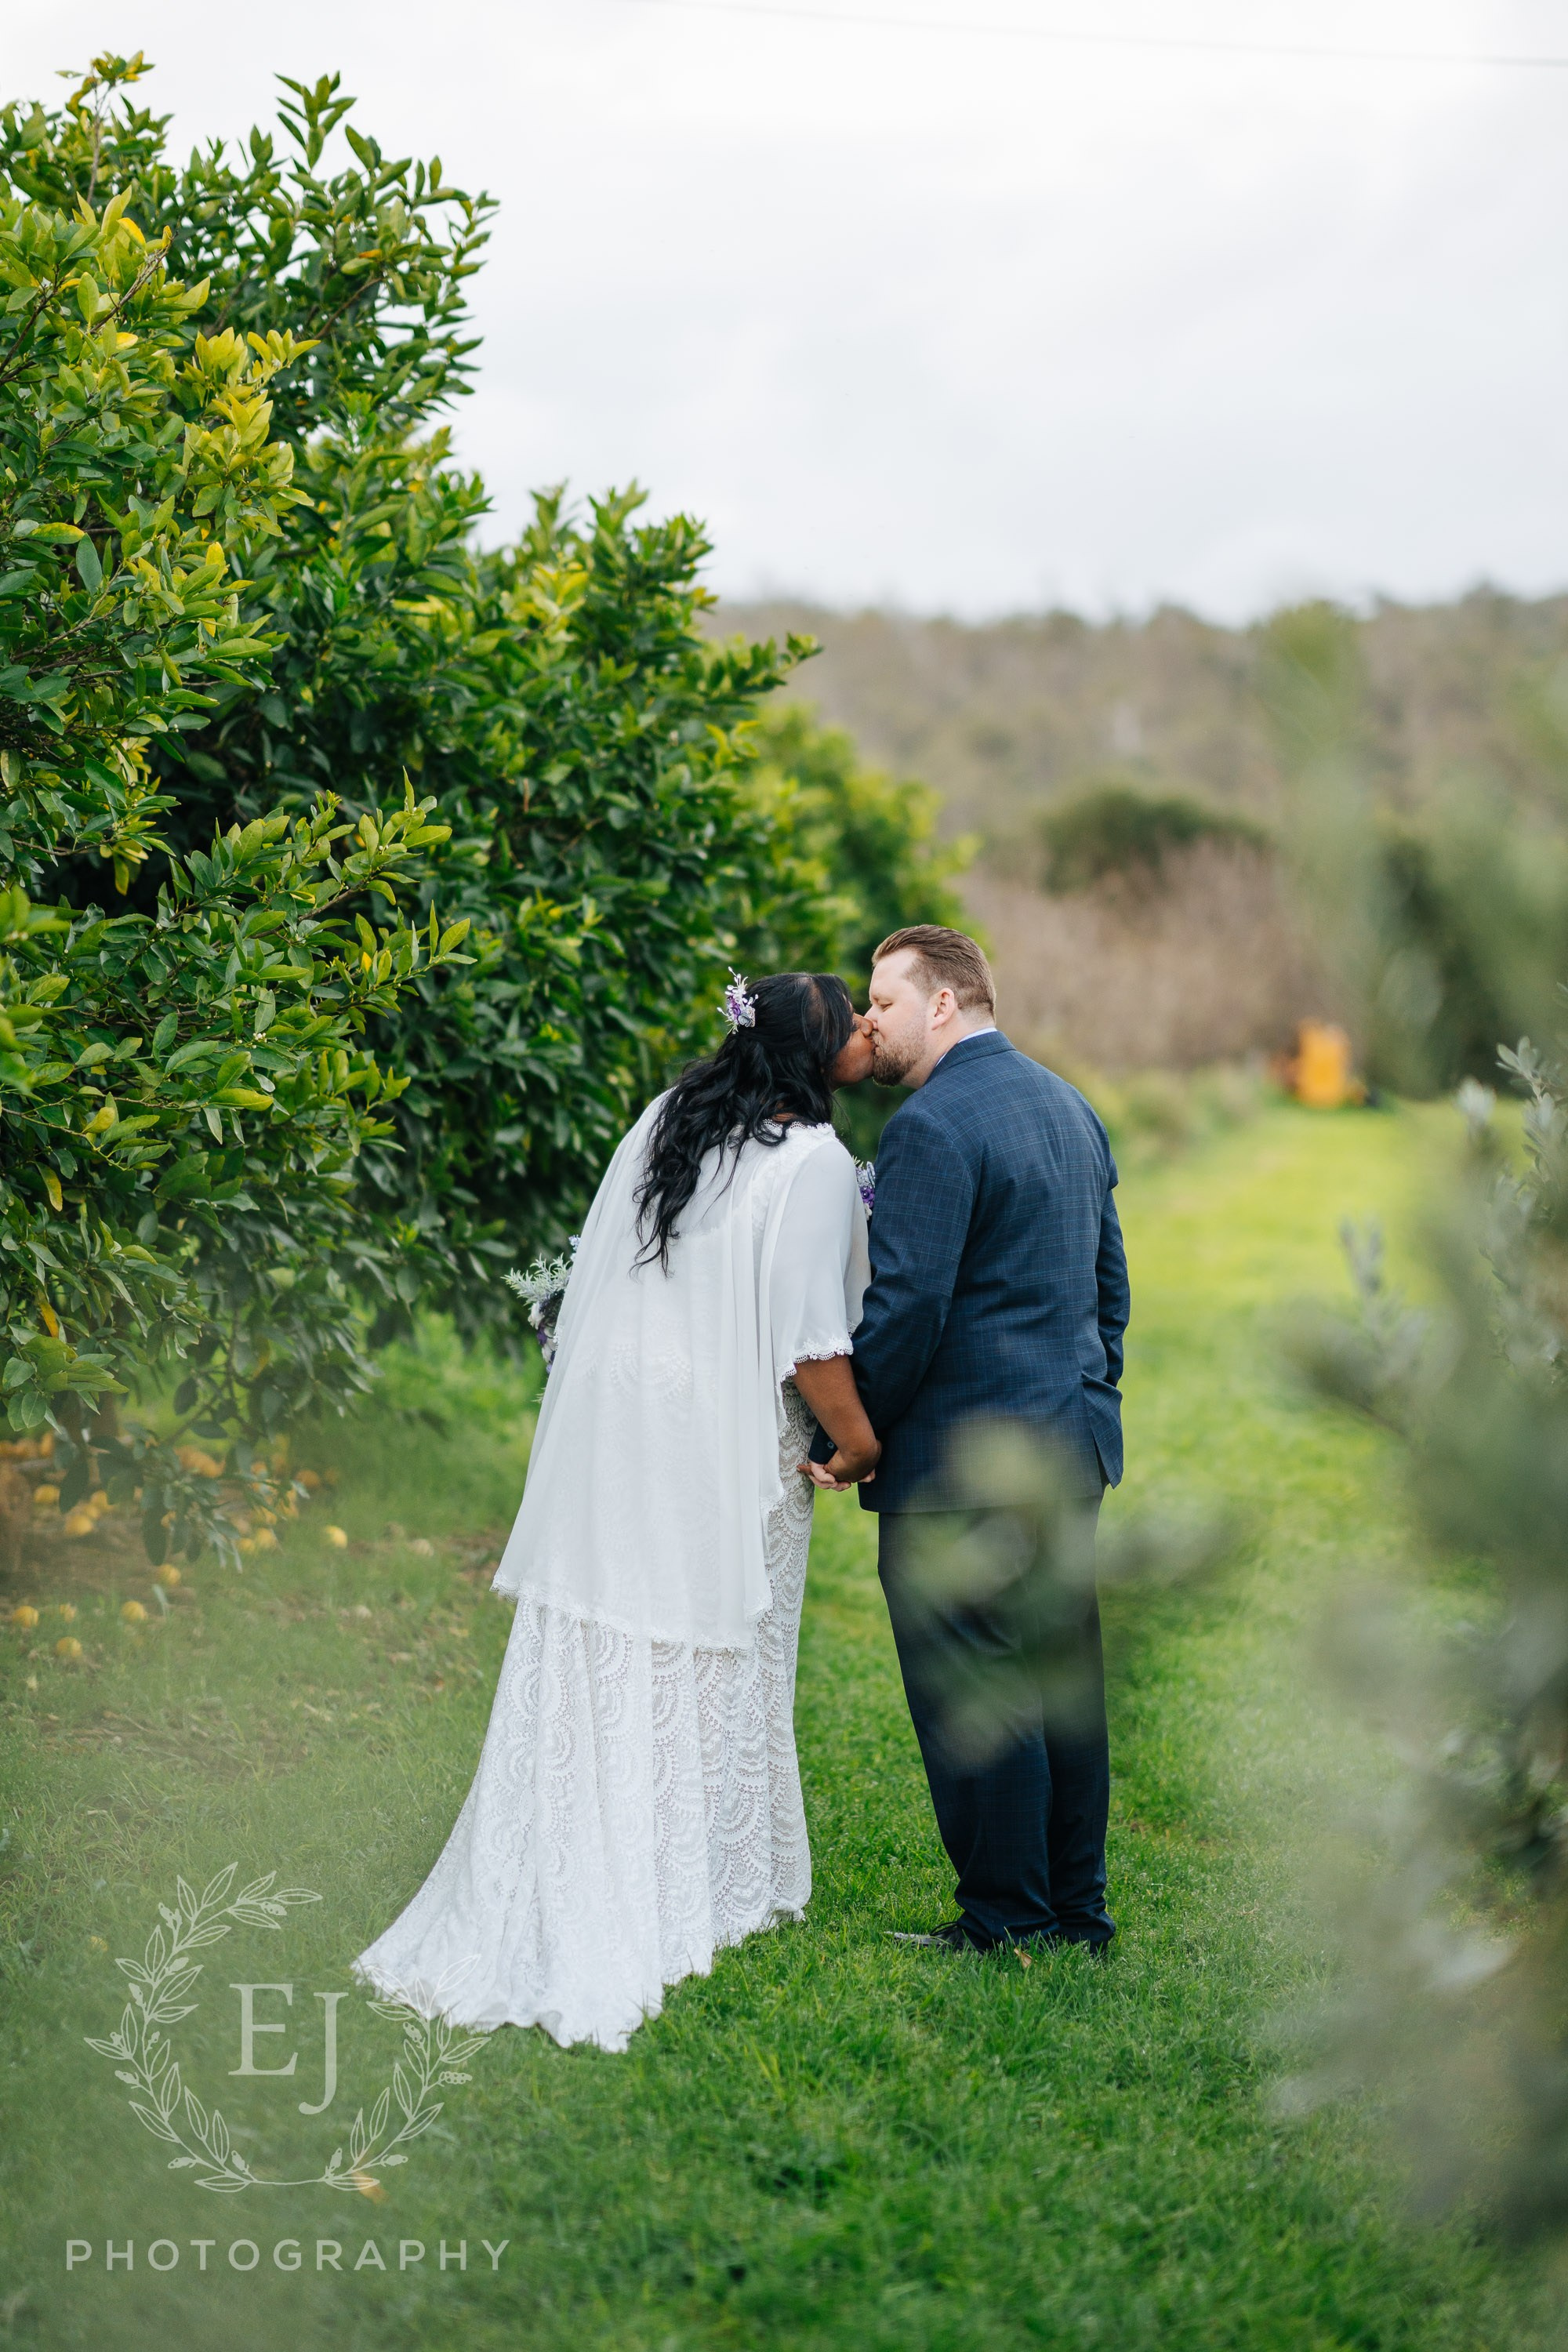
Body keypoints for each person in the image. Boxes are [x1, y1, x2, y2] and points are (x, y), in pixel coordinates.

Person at [354, 972, 878, 2053]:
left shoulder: (672, 1118)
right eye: (855, 1021)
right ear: (819, 1057)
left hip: (624, 1414)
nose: (872, 1031)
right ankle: (690, 1876)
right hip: (727, 1425)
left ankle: (585, 1835)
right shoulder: (819, 1165)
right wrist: (860, 1441)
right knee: (715, 1627)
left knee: (616, 1619)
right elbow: (814, 1343)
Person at [806, 925, 1128, 1953]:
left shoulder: (931, 1126)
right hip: (1068, 1448)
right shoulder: (1068, 1104)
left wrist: (852, 1432)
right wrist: (1090, 1395)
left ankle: (1006, 1919)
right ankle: (1075, 1912)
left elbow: (906, 1311)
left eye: (885, 1004)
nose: (872, 1026)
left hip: (958, 1469)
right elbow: (1108, 1287)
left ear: (943, 1002)